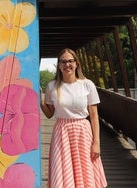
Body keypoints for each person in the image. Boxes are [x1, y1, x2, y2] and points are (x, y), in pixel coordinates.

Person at [40, 48, 107, 188]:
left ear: (76, 63)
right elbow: (49, 113)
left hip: (83, 132)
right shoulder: (52, 86)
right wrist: (40, 100)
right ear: (58, 65)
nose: (67, 65)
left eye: (70, 61)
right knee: (63, 172)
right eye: (63, 62)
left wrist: (96, 143)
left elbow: (94, 116)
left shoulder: (87, 85)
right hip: (62, 132)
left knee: (85, 173)